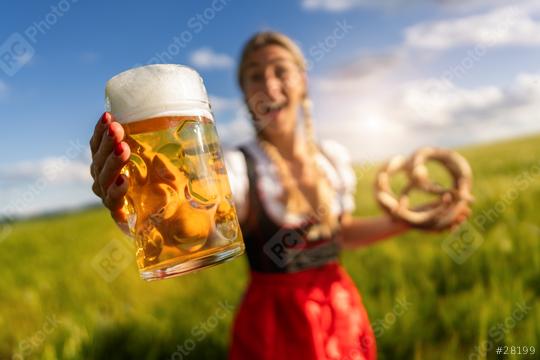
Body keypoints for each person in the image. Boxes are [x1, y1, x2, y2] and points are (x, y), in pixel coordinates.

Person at [90, 31, 470, 360]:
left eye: (280, 71)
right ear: (244, 92)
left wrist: (411, 220)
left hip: (339, 306)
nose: (269, 85)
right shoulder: (238, 168)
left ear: (302, 80)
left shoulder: (332, 159)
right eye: (255, 76)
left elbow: (340, 234)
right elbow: (196, 225)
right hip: (273, 324)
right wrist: (151, 209)